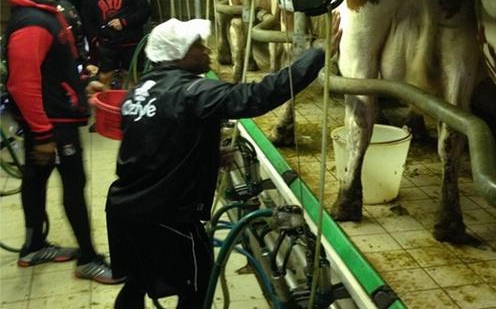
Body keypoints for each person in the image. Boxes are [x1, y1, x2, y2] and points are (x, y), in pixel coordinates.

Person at [105, 18, 340, 308]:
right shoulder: (192, 92)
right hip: (166, 217)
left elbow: (155, 142)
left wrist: (207, 157)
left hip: (124, 210)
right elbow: (255, 97)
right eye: (198, 46)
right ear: (178, 55)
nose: (208, 51)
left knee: (136, 282)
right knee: (195, 290)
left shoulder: (144, 87)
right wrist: (317, 55)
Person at [5, 0, 122, 284]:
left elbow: (51, 70)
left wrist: (82, 83)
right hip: (53, 124)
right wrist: (43, 136)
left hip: (51, 115)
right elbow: (22, 84)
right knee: (74, 185)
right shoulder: (32, 23)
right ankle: (88, 258)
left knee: (36, 178)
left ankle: (34, 246)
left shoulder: (45, 14)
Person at [81, 0, 150, 88]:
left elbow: (145, 11)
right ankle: (106, 106)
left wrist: (124, 22)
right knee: (104, 78)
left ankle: (129, 106)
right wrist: (95, 41)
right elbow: (87, 22)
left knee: (131, 78)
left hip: (131, 43)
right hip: (106, 45)